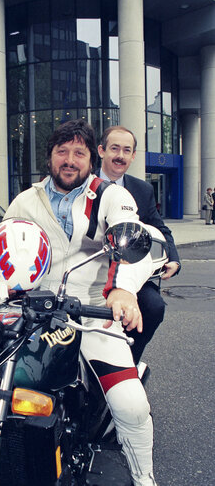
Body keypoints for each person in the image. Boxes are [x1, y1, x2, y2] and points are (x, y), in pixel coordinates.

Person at [0, 119, 159, 486]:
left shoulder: (111, 196)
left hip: (91, 314)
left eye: (79, 152)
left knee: (131, 404)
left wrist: (122, 290)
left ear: (93, 158)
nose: (70, 160)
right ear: (50, 157)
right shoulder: (26, 200)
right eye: (62, 152)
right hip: (34, 312)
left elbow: (133, 242)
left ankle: (144, 478)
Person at [97, 125, 180, 364]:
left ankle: (128, 362)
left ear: (133, 156)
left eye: (126, 150)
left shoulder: (142, 189)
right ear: (102, 151)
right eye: (114, 148)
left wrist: (173, 257)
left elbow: (160, 228)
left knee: (153, 307)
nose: (120, 156)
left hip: (129, 268)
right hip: (90, 268)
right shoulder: (84, 182)